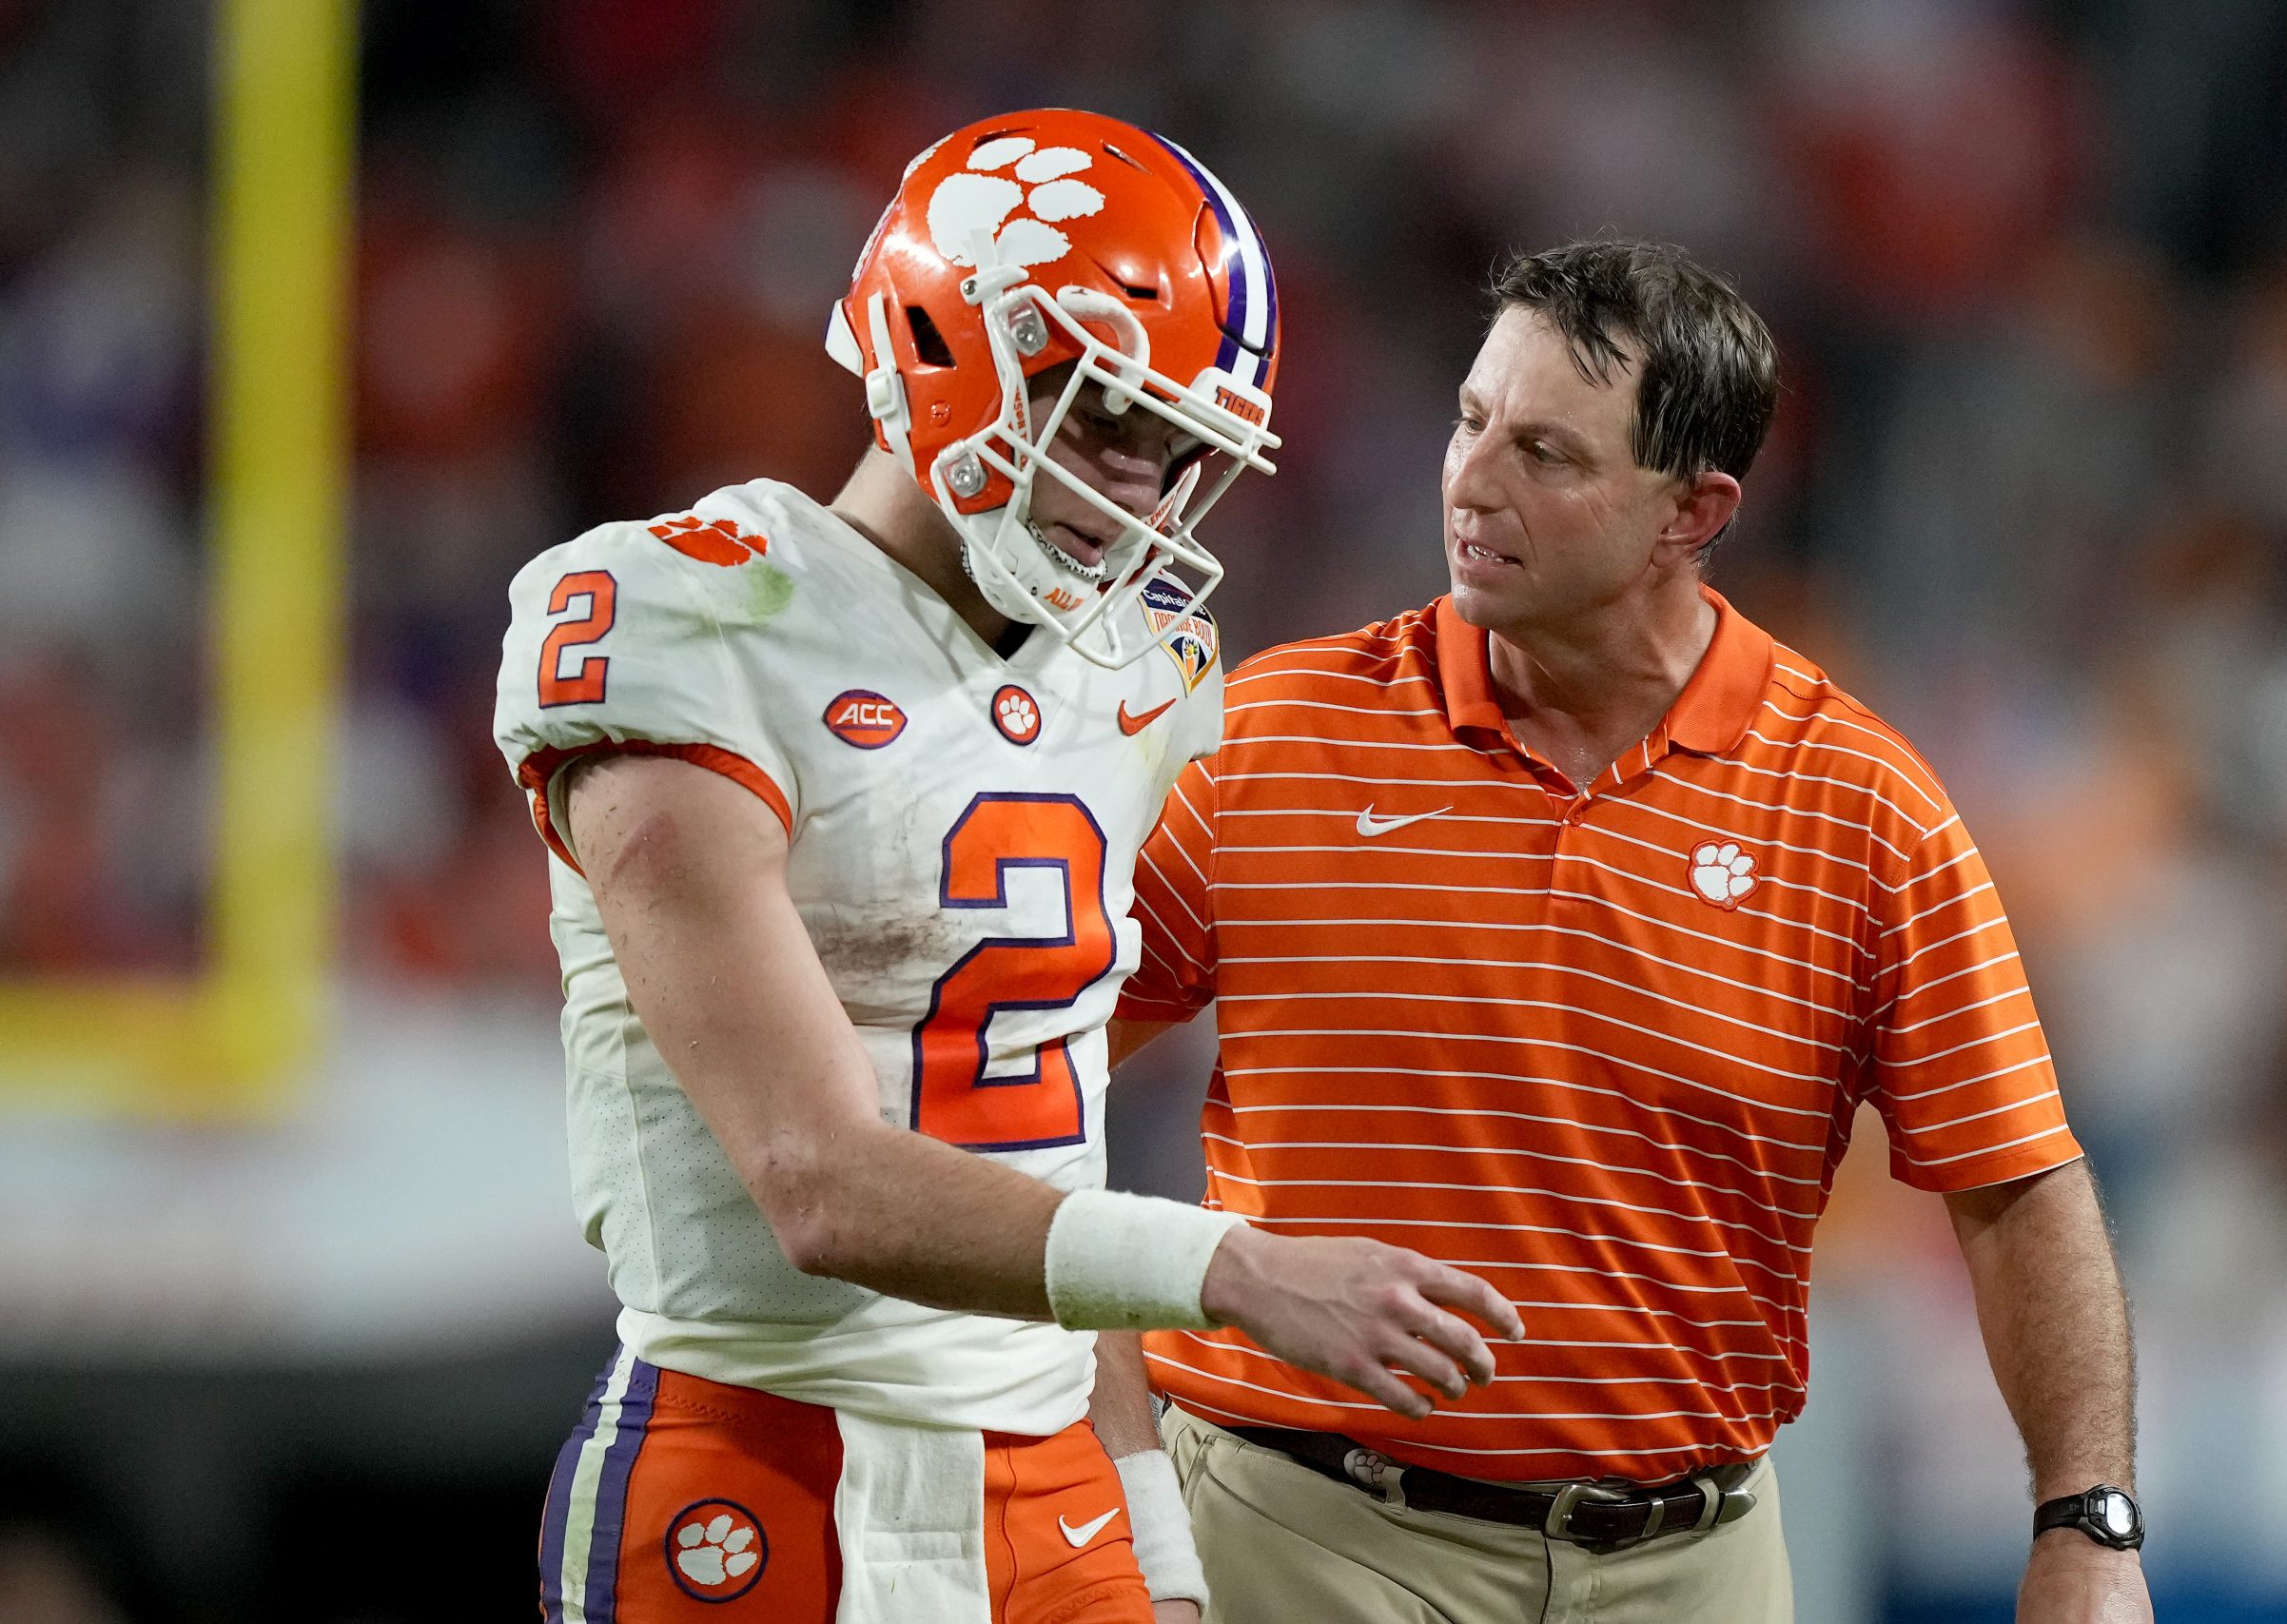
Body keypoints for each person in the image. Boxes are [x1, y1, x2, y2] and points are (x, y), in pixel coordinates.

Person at [491, 108, 1522, 1624]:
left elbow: (1057, 1135)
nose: (1145, 495)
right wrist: (1233, 1268)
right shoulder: (681, 621)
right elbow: (818, 1182)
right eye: (1110, 420)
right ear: (949, 341)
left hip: (1047, 1481)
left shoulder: (1141, 672)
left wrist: (1154, 1532)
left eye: (1182, 451)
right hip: (758, 1459)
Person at [1103, 238, 2154, 1623]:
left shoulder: (1860, 807)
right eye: (1472, 419)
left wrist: (2088, 1524)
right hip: (1296, 1537)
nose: (1473, 481)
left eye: (1548, 452)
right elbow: (1012, 1084)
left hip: (1694, 1566)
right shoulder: (1267, 740)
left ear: (1692, 511)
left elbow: (2018, 1191)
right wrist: (1119, 1466)